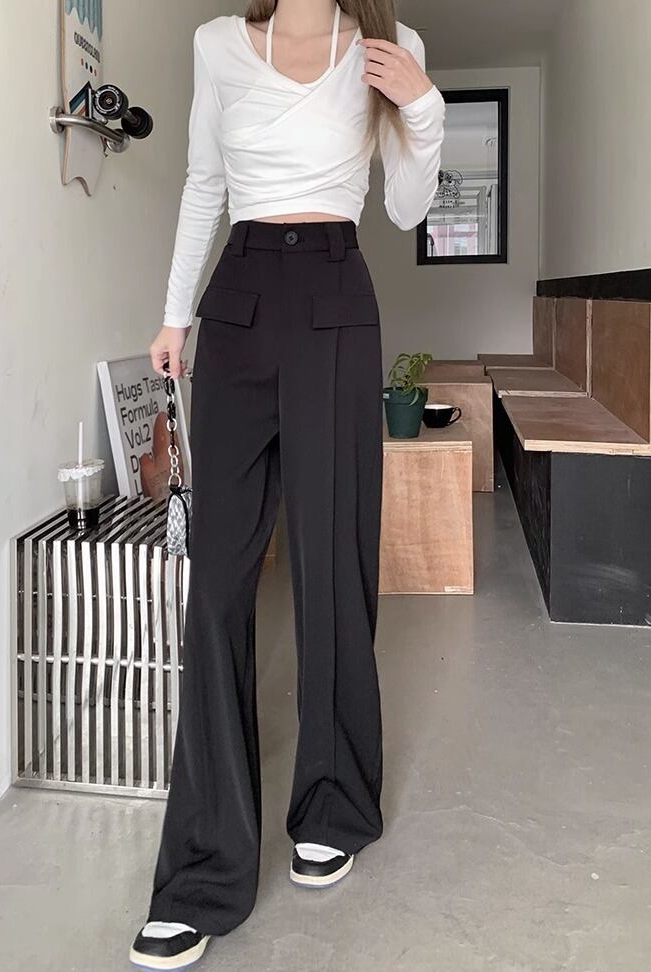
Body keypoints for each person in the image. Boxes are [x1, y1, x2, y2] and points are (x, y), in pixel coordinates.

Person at [130, 1, 444, 968]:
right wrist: (175, 316)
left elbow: (407, 209)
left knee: (331, 560)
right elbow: (203, 182)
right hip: (238, 298)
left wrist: (425, 107)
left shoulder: (391, 47)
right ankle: (201, 869)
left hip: (337, 298)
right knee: (218, 581)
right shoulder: (218, 43)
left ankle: (334, 804)